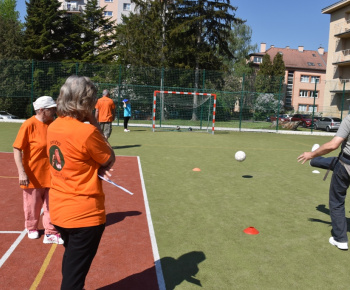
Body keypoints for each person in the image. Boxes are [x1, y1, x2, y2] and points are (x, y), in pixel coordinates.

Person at [47, 75, 115, 289]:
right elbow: (109, 158)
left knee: (71, 263)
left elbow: (71, 160)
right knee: (74, 276)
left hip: (59, 210)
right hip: (84, 215)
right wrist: (93, 122)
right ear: (86, 102)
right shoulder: (87, 132)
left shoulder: (53, 126)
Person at [13, 96, 63, 244]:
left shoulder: (52, 124)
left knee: (51, 205)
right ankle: (32, 227)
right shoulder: (29, 125)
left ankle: (51, 232)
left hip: (52, 174)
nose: (54, 111)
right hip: (33, 174)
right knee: (32, 205)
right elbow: (17, 149)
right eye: (51, 109)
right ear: (42, 110)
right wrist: (21, 172)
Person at [297, 115, 350, 251]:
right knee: (336, 162)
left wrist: (311, 153)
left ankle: (340, 239)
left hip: (346, 165)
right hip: (343, 163)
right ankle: (315, 161)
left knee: (337, 202)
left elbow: (333, 145)